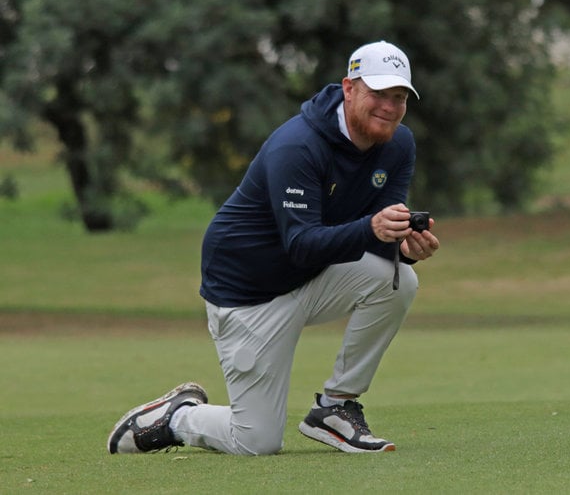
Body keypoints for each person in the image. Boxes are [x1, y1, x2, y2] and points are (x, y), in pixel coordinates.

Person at [107, 41, 440, 456]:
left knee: (398, 281)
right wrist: (374, 229)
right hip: (248, 294)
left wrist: (404, 247)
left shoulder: (398, 144)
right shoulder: (298, 145)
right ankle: (176, 417)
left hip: (309, 276)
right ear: (349, 88)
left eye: (399, 97)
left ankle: (335, 408)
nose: (389, 107)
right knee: (256, 441)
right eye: (378, 94)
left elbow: (375, 234)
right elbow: (302, 244)